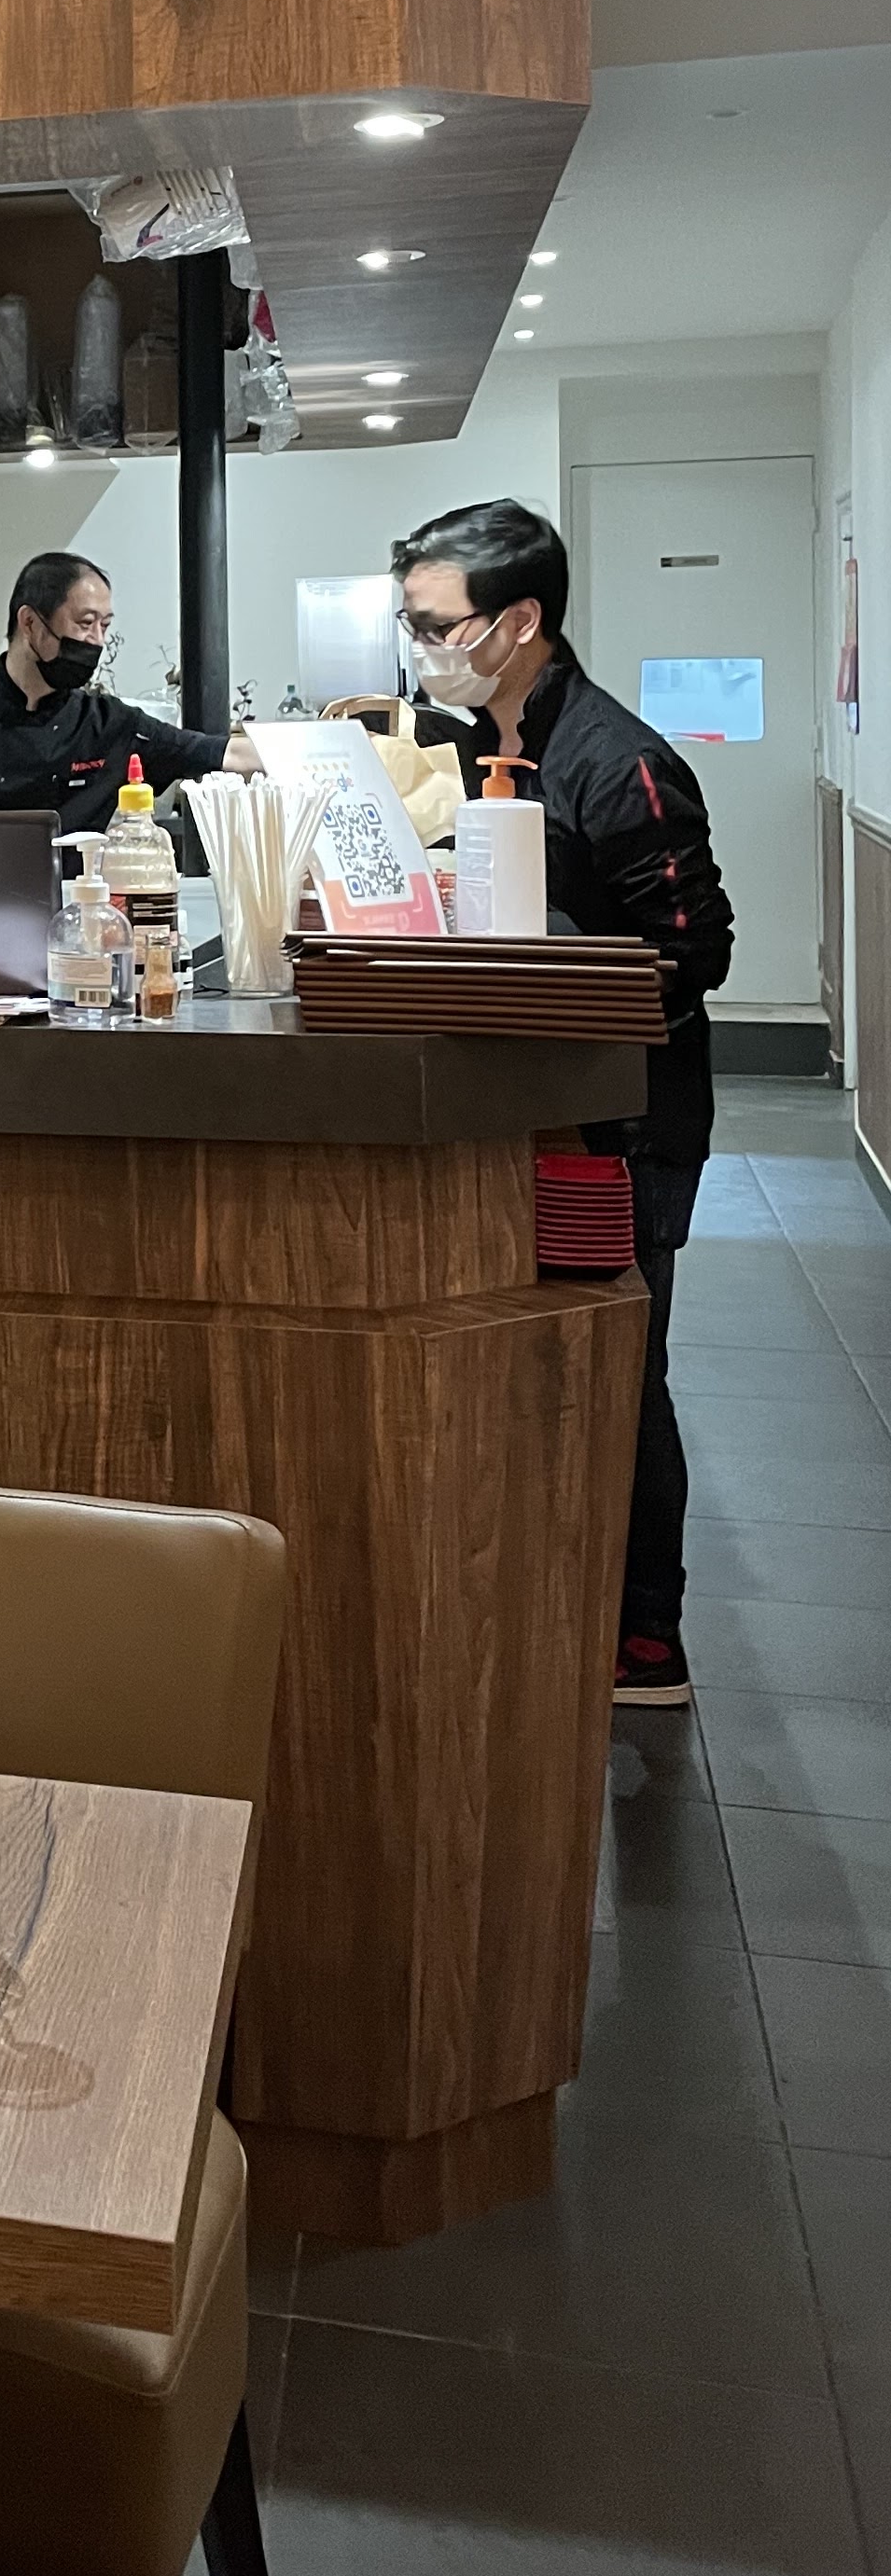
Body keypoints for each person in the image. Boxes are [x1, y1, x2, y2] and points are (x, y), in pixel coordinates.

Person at [391, 497, 735, 1711]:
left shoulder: (615, 758)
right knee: (561, 1370)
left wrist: (548, 958)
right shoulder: (478, 742)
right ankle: (570, 1600)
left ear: (519, 620)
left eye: (436, 624)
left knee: (622, 1371)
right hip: (540, 1114)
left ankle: (648, 1638)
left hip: (627, 1128)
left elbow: (695, 951)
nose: (420, 643)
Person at [0, 549, 254, 838]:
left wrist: (291, 753)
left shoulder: (109, 724)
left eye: (104, 626)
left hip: (73, 914)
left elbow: (223, 753)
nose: (97, 640)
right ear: (30, 623)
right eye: (85, 623)